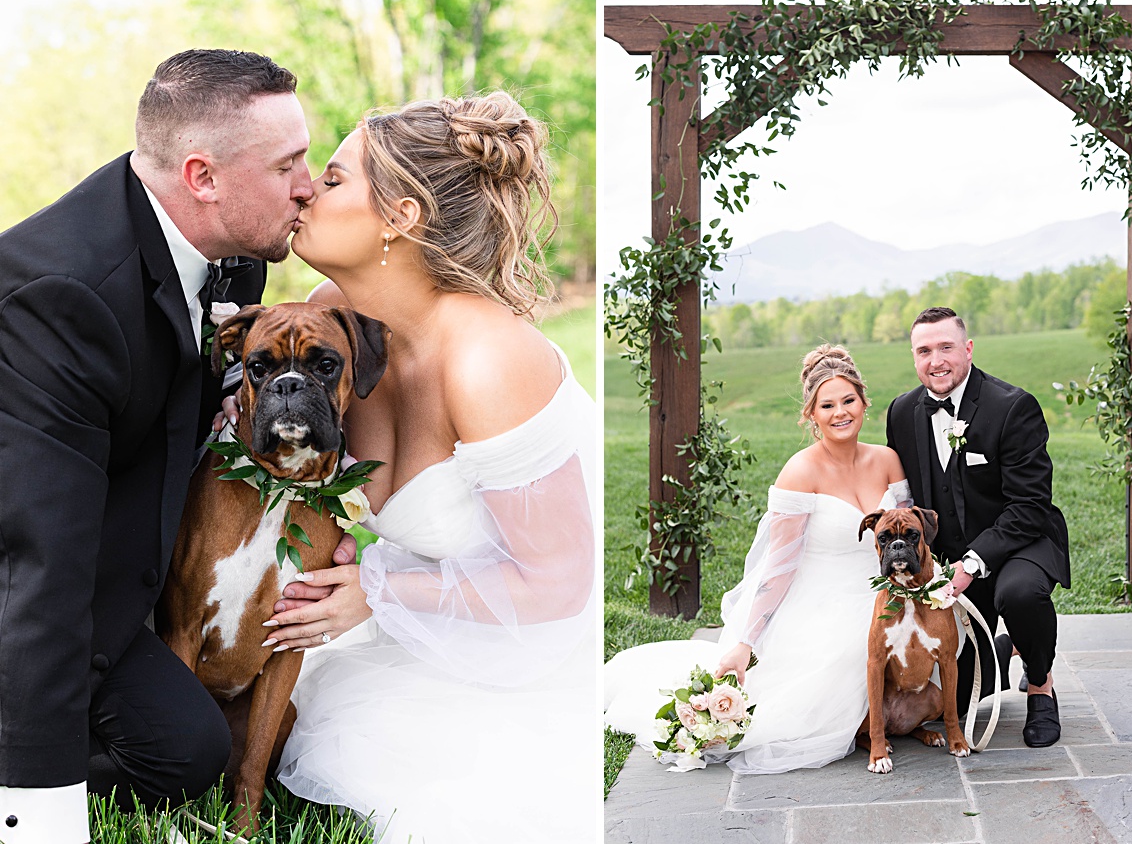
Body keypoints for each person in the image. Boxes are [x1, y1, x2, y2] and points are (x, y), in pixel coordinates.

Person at [227, 92, 596, 842]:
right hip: (406, 625)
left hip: (511, 652)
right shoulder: (333, 317)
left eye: (332, 181)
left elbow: (558, 584)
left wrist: (376, 588)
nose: (304, 191)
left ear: (400, 216)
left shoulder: (487, 359)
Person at [0, 49, 313, 842]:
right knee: (157, 756)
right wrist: (36, 805)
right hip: (31, 582)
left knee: (188, 749)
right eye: (287, 165)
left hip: (132, 574)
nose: (306, 186)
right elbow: (38, 557)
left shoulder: (234, 256)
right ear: (203, 177)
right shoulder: (62, 298)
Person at [605, 345, 910, 773]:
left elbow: (911, 538)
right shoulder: (800, 472)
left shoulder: (888, 460)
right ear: (810, 414)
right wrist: (747, 641)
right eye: (827, 405)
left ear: (864, 402)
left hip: (884, 592)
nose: (840, 412)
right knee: (843, 661)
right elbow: (779, 567)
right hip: (822, 600)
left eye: (848, 401)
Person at [885, 306, 1070, 748]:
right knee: (967, 698)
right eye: (924, 351)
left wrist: (972, 564)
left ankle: (1040, 683)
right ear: (914, 357)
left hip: (1021, 541)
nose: (936, 361)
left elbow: (1029, 505)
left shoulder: (1013, 407)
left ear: (967, 349)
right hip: (950, 557)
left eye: (946, 347)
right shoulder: (902, 412)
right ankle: (1000, 651)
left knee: (1020, 593)